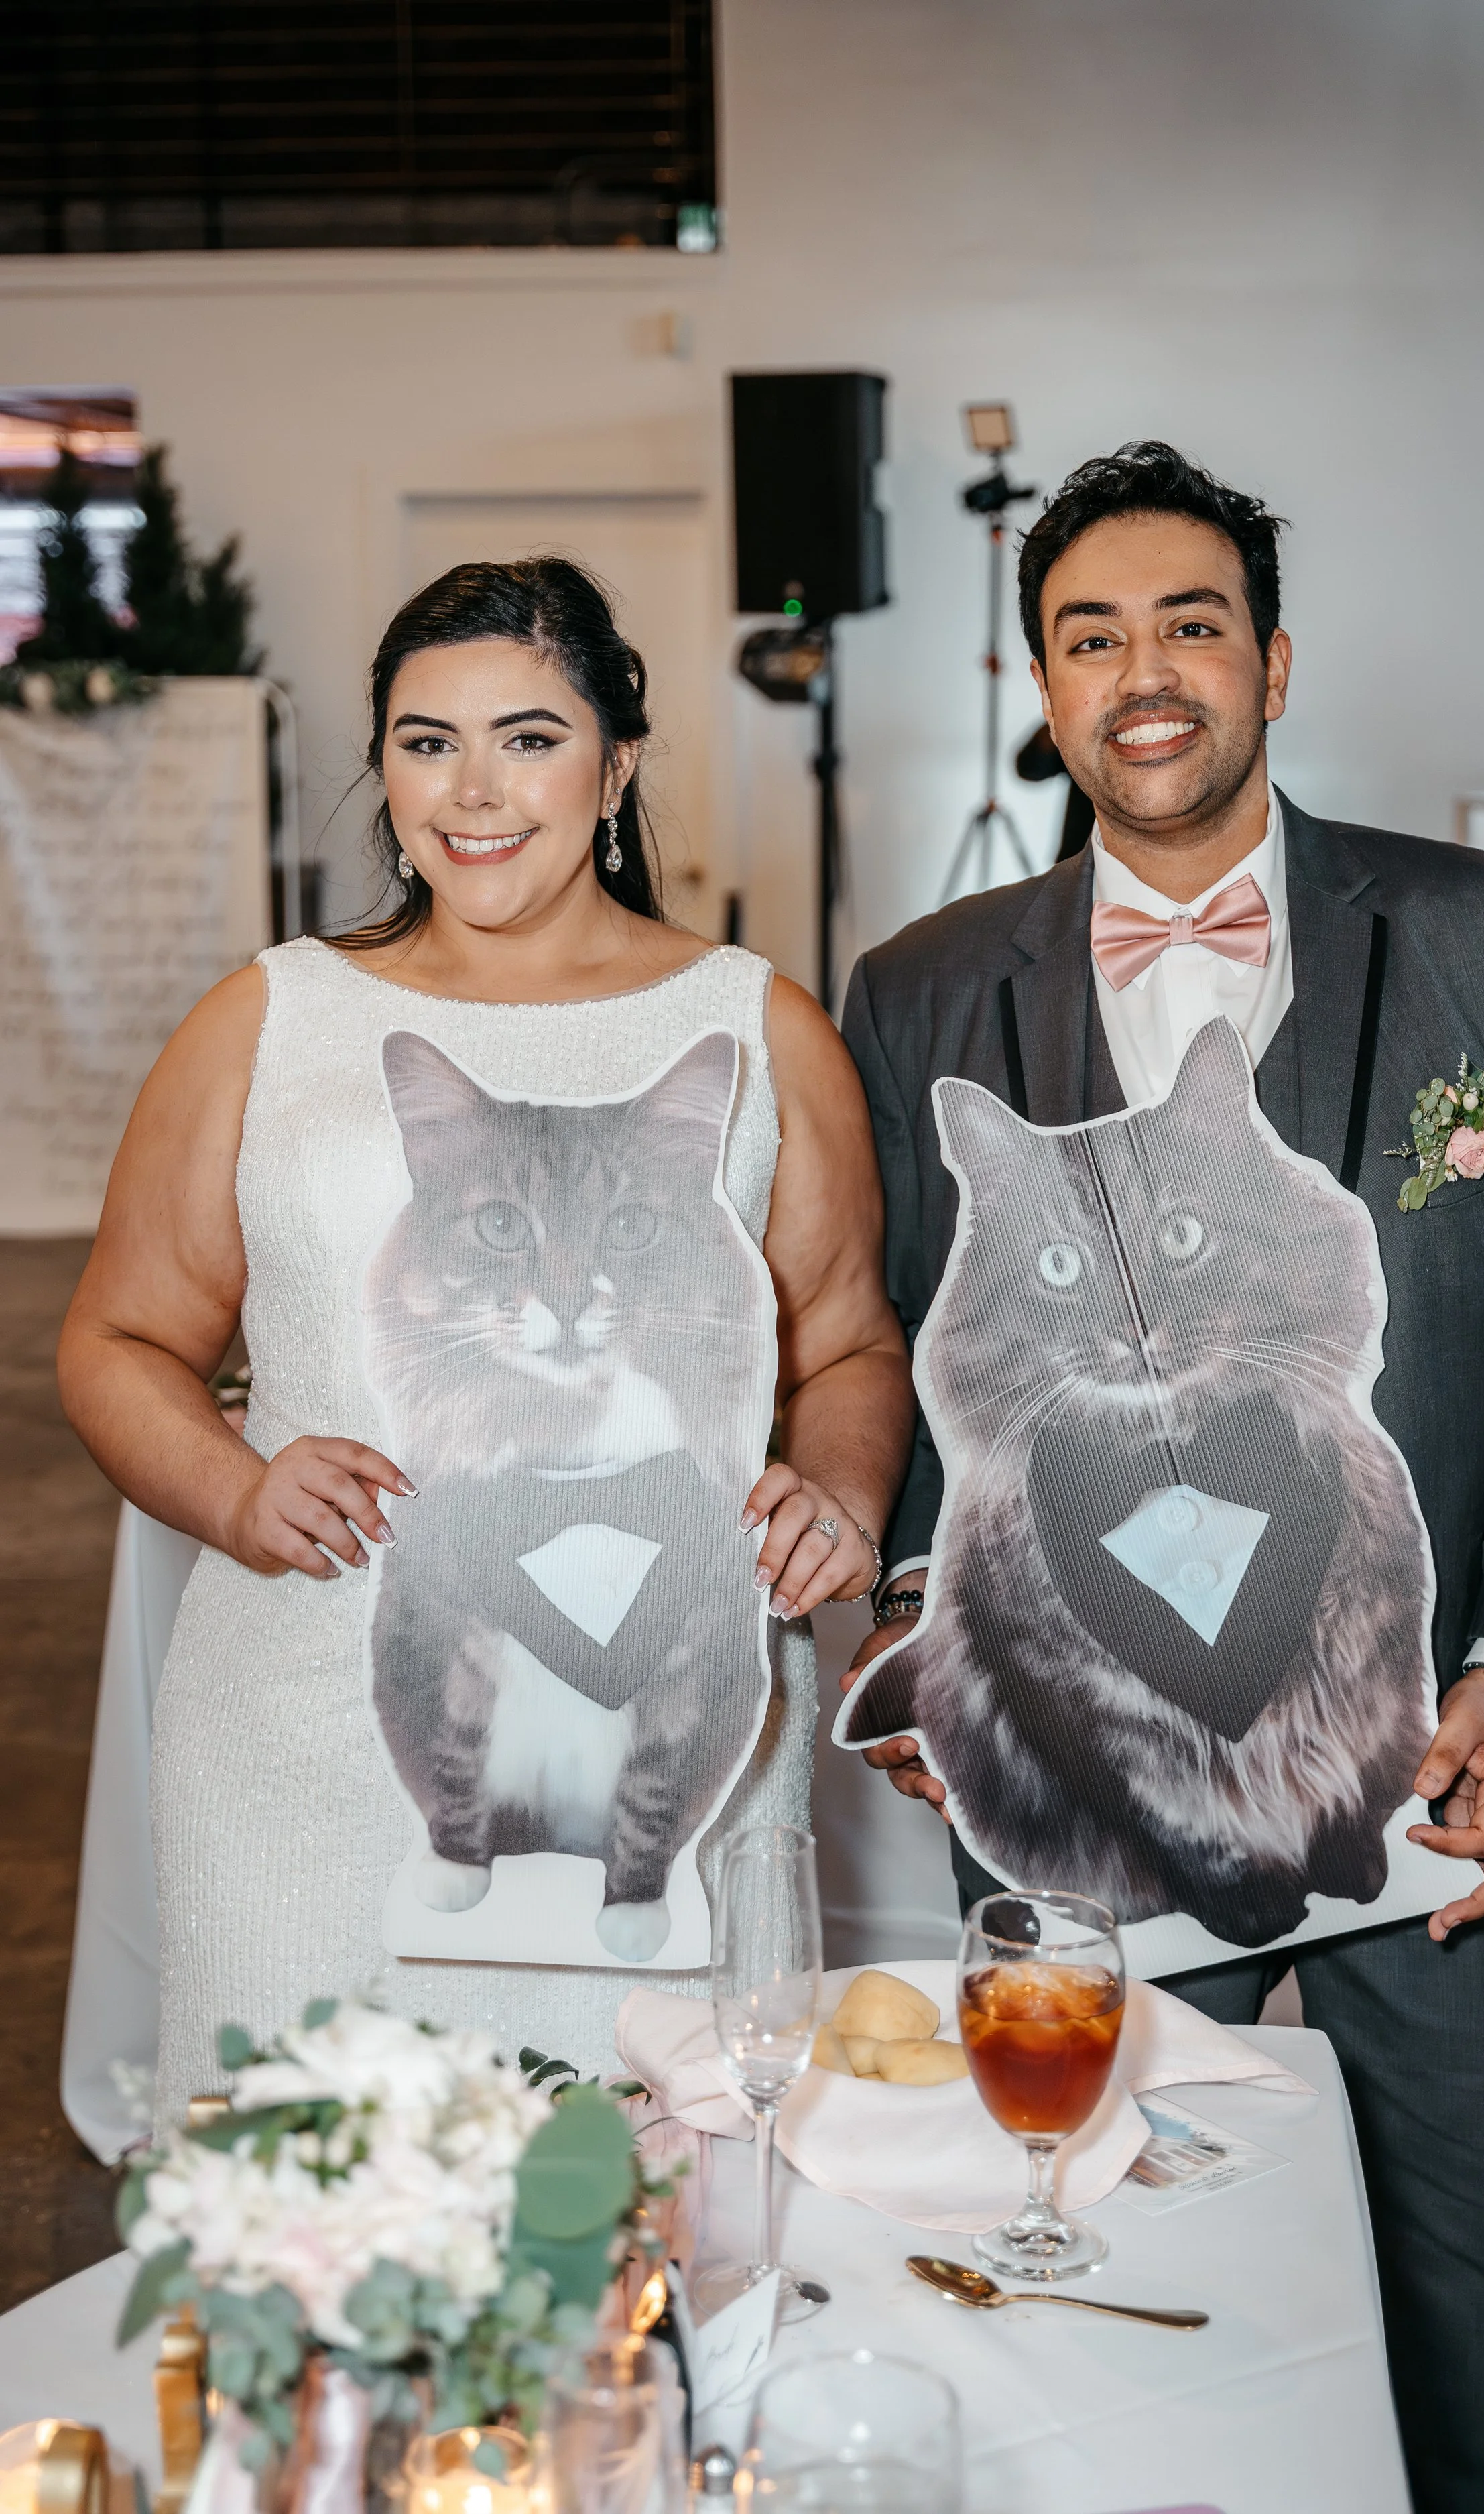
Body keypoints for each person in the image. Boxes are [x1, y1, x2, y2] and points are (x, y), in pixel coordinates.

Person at [840, 441, 1484, 2512]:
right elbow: (887, 1347)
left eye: (1190, 624)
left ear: (1273, 665)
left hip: (1460, 1781)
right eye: (1089, 635)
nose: (1142, 673)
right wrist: (916, 1622)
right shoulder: (919, 991)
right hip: (1085, 1788)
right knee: (1118, 2328)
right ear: (1044, 686)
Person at [60, 556, 913, 2118]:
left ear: (617, 767)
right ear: (382, 770)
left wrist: (841, 1495)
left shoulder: (754, 1030)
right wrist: (236, 1494)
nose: (472, 790)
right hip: (315, 1723)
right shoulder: (269, 1021)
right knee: (308, 2195)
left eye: (528, 738)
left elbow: (849, 1343)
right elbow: (117, 1337)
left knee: (653, 2200)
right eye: (425, 741)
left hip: (665, 1728)